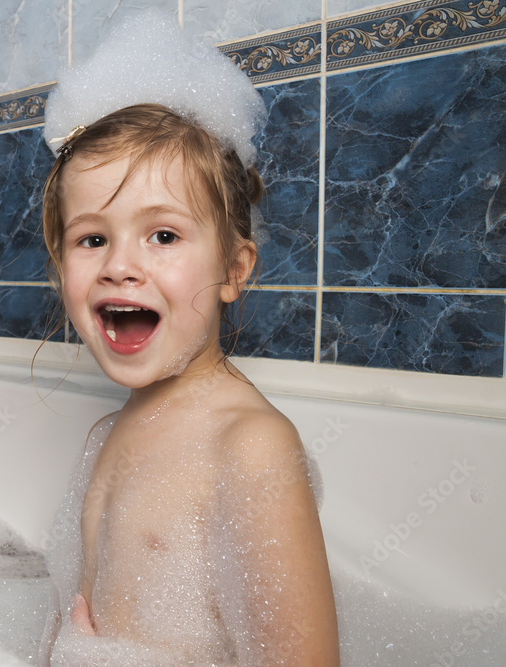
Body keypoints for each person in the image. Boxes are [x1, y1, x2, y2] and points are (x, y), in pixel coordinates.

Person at [38, 11, 339, 666]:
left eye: (163, 235)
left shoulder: (251, 449)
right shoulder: (105, 436)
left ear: (234, 269)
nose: (120, 264)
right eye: (93, 238)